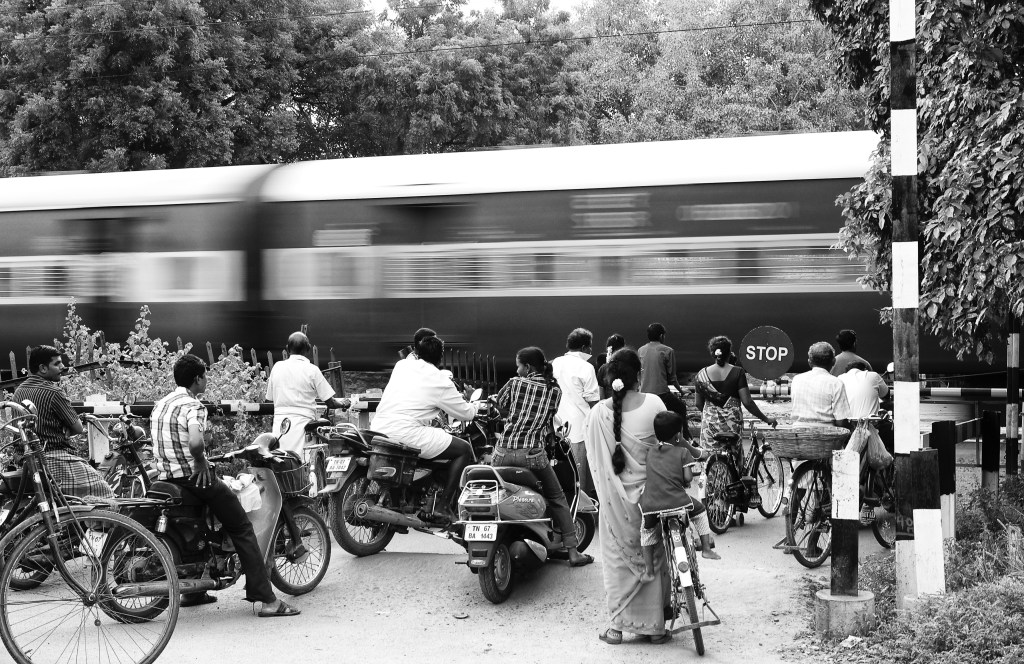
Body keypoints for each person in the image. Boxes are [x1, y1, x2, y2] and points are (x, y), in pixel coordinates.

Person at [151, 354, 300, 616]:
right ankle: (267, 600)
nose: (206, 380)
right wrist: (199, 462)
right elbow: (196, 443)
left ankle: (194, 591)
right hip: (194, 479)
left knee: (201, 525)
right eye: (205, 376)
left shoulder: (160, 404)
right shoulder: (193, 405)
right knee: (242, 527)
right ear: (197, 379)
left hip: (165, 479)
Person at [584, 348, 672, 645]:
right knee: (655, 556)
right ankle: (656, 629)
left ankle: (618, 628)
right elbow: (667, 445)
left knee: (617, 561)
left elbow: (595, 463)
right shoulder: (655, 403)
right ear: (640, 374)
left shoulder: (598, 413)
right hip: (651, 500)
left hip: (614, 502)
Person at [492, 347, 593, 567]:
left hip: (502, 453)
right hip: (533, 455)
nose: (517, 370)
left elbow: (501, 409)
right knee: (557, 498)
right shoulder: (553, 390)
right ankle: (573, 553)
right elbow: (549, 419)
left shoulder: (514, 383)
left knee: (493, 491)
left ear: (527, 367)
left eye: (519, 366)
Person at [371, 334, 479, 523]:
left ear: (417, 352)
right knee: (463, 450)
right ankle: (443, 506)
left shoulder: (401, 366)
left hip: (379, 428)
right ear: (440, 358)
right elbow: (466, 414)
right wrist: (474, 403)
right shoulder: (441, 380)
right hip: (407, 432)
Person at [13, 345, 114, 500]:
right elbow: (78, 428)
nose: (63, 367)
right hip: (52, 459)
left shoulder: (19, 391)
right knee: (104, 492)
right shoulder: (53, 392)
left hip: (24, 458)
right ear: (43, 368)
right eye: (57, 364)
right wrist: (68, 427)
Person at [639, 411, 720, 584]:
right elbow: (688, 478)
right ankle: (706, 548)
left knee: (646, 532)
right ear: (678, 436)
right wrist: (683, 480)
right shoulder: (683, 452)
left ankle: (649, 571)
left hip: (651, 505)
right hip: (678, 502)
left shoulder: (650, 452)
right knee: (700, 512)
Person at [265, 332, 351, 455]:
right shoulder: (312, 370)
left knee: (281, 460)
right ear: (308, 349)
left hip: (281, 425)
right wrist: (343, 404)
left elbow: (269, 398)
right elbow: (330, 402)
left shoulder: (277, 367)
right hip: (304, 425)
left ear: (287, 348)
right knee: (303, 461)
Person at [693, 335, 778, 447]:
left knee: (710, 459)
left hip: (709, 427)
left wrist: (714, 414)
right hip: (731, 427)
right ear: (729, 352)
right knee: (733, 459)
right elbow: (747, 402)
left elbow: (698, 404)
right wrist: (766, 419)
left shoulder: (701, 374)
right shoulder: (738, 372)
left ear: (713, 353)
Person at [551, 328, 600, 495]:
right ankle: (581, 510)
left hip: (556, 427)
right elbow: (593, 401)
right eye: (590, 347)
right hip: (579, 427)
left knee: (559, 471)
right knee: (579, 473)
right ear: (585, 347)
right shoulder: (586, 367)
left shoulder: (554, 363)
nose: (591, 351)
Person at [638, 323, 692, 439]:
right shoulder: (668, 351)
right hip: (661, 394)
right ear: (662, 336)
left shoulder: (640, 350)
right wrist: (681, 391)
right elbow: (672, 378)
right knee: (681, 407)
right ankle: (685, 439)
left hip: (644, 394)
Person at [791, 342, 853, 428]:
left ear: (809, 362)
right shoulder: (836, 383)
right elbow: (841, 422)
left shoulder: (796, 379)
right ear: (833, 362)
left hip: (798, 434)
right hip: (826, 436)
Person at [596, 333, 626, 399]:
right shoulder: (629, 367)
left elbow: (601, 394)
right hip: (627, 406)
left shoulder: (603, 369)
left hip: (609, 406)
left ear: (609, 349)